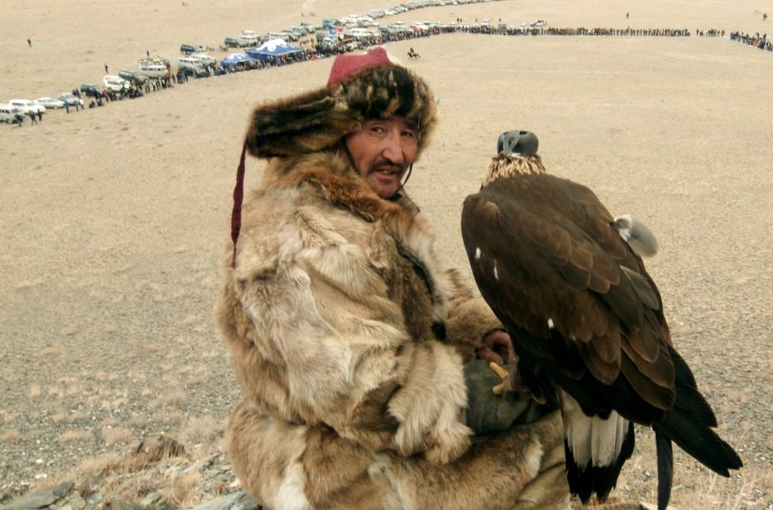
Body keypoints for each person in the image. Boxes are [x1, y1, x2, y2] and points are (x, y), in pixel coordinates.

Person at [215, 47, 568, 509]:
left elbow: (435, 295)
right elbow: (365, 392)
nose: (396, 152)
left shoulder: (369, 201)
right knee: (552, 441)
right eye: (377, 129)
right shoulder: (305, 230)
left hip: (356, 430)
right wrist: (498, 395)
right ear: (337, 130)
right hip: (324, 461)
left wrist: (483, 333)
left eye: (408, 132)